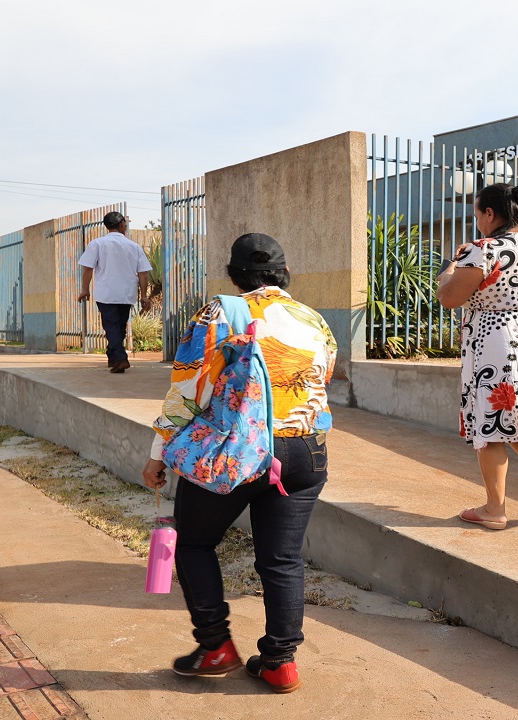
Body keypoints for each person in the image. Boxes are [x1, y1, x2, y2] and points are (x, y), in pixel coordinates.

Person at [141, 232, 337, 693]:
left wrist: (157, 452)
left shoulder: (222, 311)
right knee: (282, 559)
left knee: (192, 543)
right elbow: (323, 377)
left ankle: (216, 647)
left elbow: (187, 388)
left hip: (237, 450)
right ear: (285, 274)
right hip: (306, 451)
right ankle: (280, 663)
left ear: (233, 276)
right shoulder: (314, 320)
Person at [436, 183, 518, 531]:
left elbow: (449, 297)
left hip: (499, 343)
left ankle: (494, 509)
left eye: (478, 214)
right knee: (516, 415)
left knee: (491, 423)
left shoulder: (482, 250)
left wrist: (450, 265)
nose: (478, 221)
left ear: (490, 214)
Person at [77, 211, 151, 373]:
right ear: (122, 225)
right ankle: (114, 358)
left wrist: (84, 290)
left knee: (111, 326)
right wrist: (144, 295)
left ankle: (120, 357)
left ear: (106, 226)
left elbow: (88, 269)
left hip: (106, 293)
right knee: (120, 328)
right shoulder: (134, 247)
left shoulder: (97, 244)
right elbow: (143, 273)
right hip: (126, 293)